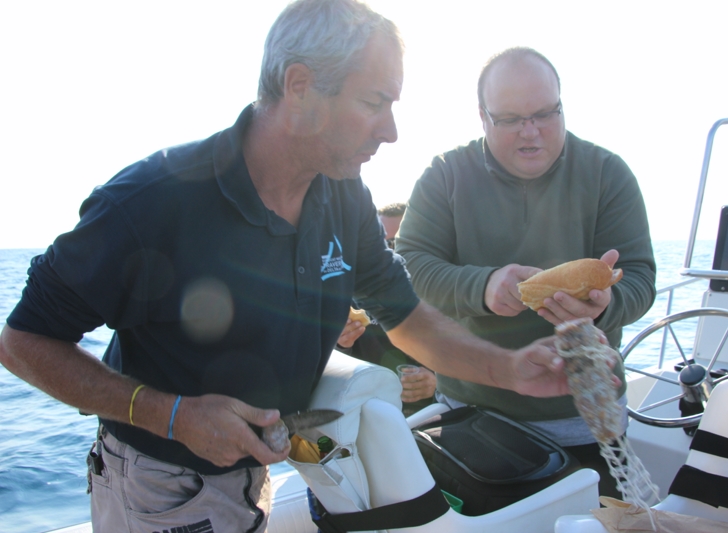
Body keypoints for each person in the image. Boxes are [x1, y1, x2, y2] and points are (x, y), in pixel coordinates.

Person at [0, 6, 580, 532]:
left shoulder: (345, 194)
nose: (391, 130)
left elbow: (406, 316)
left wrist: (507, 370)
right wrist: (172, 415)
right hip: (160, 488)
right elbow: (21, 340)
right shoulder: (150, 202)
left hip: (262, 474)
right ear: (300, 87)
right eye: (374, 102)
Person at [395, 47, 657, 497]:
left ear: (561, 104)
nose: (530, 132)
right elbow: (410, 267)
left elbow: (640, 279)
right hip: (474, 417)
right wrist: (482, 286)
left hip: (589, 420)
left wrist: (607, 303)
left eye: (544, 114)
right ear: (482, 116)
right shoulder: (444, 175)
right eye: (510, 119)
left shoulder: (608, 173)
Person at [336, 202, 436, 415]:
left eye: (393, 243)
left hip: (425, 416)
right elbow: (331, 370)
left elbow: (467, 361)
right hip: (369, 413)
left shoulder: (438, 295)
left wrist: (438, 383)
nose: (384, 254)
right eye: (376, 244)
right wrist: (342, 345)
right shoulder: (347, 295)